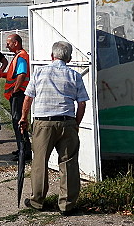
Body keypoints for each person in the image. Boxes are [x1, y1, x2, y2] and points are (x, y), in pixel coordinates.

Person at [20, 41, 89, 216]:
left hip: (43, 122)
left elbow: (28, 99)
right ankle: (67, 204)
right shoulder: (75, 75)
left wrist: (23, 118)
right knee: (69, 162)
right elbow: (81, 103)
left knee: (40, 162)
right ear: (69, 58)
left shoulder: (39, 73)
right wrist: (76, 123)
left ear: (52, 56)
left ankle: (37, 200)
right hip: (67, 121)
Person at [4, 34, 32, 161]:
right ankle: (22, 147)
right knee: (17, 121)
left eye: (8, 43)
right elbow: (14, 75)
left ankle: (24, 150)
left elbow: (21, 74)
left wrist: (15, 91)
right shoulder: (18, 56)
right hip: (18, 93)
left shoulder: (21, 57)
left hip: (19, 94)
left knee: (18, 121)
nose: (6, 46)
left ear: (16, 43)